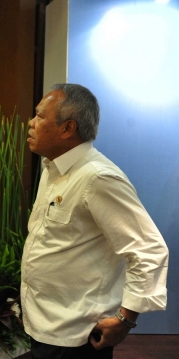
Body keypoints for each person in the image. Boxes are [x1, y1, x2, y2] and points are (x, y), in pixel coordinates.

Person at [21, 83, 169, 359]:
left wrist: (126, 320)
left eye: (40, 116)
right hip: (45, 323)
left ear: (68, 128)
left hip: (77, 334)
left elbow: (149, 250)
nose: (31, 123)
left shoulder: (97, 178)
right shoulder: (51, 168)